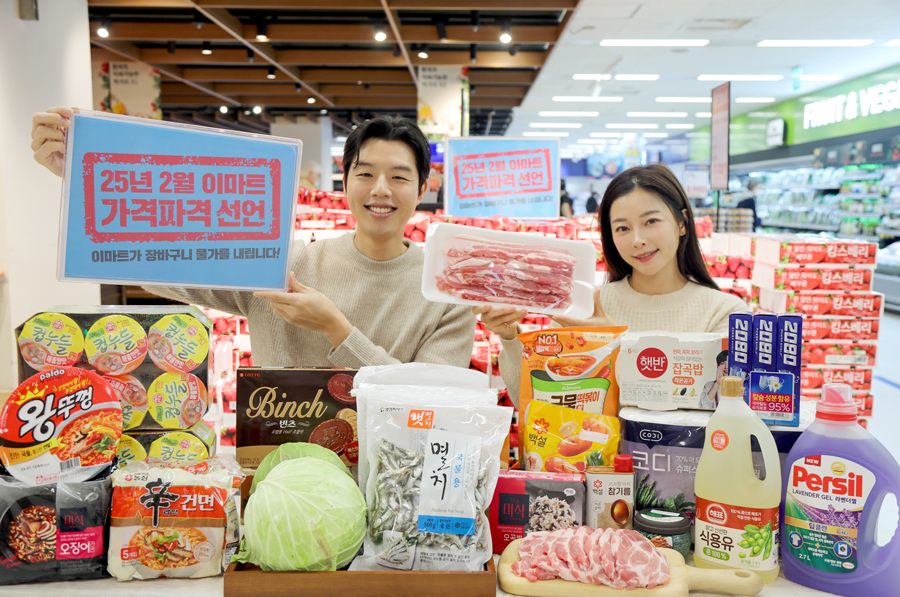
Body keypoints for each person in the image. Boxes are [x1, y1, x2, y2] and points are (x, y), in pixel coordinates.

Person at [31, 108, 475, 369]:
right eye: (365, 174)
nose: (380, 190)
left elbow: (430, 404)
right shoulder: (283, 265)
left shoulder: (446, 295)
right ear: (345, 184)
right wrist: (79, 179)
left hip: (391, 485)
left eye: (399, 177)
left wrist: (336, 329)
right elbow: (168, 267)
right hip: (278, 474)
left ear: (422, 189)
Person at [475, 164, 750, 405]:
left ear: (683, 223)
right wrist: (510, 337)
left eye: (651, 221)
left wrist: (613, 344)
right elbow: (534, 399)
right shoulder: (585, 308)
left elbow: (724, 407)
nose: (637, 240)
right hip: (592, 449)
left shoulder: (725, 313)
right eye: (622, 228)